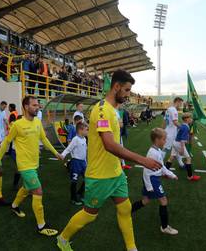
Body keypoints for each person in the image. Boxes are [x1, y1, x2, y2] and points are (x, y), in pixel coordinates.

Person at [56, 70, 161, 251]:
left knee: (125, 209)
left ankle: (131, 248)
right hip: (100, 176)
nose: (128, 95)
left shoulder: (114, 110)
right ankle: (62, 238)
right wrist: (142, 160)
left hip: (116, 173)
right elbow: (109, 145)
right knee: (90, 215)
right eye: (127, 90)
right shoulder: (103, 110)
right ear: (116, 87)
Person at [0, 96, 63, 236]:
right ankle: (41, 226)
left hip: (34, 163)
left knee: (26, 188)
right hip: (24, 165)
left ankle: (14, 206)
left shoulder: (37, 121)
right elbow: (6, 142)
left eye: (38, 105)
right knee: (37, 191)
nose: (37, 107)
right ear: (26, 107)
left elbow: (43, 139)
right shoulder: (17, 125)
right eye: (34, 105)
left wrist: (56, 153)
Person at [131, 128, 178, 235]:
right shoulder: (153, 153)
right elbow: (146, 172)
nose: (165, 141)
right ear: (157, 139)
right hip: (152, 180)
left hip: (152, 179)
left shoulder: (157, 151)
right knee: (163, 201)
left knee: (145, 201)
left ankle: (126, 213)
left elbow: (161, 167)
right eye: (164, 139)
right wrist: (149, 186)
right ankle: (165, 227)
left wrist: (171, 175)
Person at [166, 113, 201, 181]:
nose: (191, 119)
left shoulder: (183, 125)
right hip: (179, 143)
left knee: (172, 157)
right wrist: (182, 149)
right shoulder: (186, 127)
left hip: (175, 142)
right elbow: (182, 139)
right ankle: (190, 176)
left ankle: (165, 172)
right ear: (186, 119)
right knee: (188, 159)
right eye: (190, 118)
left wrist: (186, 140)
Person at [61, 122, 88, 206]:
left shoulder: (84, 139)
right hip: (76, 163)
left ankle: (80, 193)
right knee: (74, 181)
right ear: (80, 130)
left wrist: (86, 162)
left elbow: (84, 152)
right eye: (86, 129)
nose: (88, 131)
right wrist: (62, 155)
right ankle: (73, 198)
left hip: (83, 163)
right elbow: (68, 149)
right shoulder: (75, 139)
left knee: (87, 179)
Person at [162, 97, 184, 168]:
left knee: (177, 147)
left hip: (168, 131)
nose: (181, 105)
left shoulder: (168, 109)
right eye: (180, 103)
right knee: (165, 149)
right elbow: (175, 122)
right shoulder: (174, 110)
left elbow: (165, 121)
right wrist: (183, 128)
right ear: (177, 101)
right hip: (171, 133)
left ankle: (181, 164)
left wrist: (162, 130)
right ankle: (158, 164)